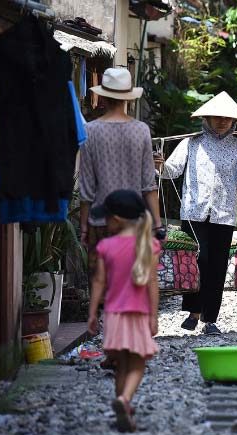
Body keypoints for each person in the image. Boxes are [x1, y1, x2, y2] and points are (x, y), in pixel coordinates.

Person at [158, 91, 237, 335]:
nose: (222, 122)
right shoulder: (191, 143)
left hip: (223, 215)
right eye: (217, 117)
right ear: (207, 119)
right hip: (194, 211)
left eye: (226, 118)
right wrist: (159, 165)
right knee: (197, 261)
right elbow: (173, 170)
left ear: (234, 121)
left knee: (217, 265)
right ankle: (193, 311)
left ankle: (210, 319)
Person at [78, 67, 165, 279]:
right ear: (128, 98)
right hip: (134, 224)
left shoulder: (90, 130)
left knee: (103, 286)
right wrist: (158, 224)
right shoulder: (141, 130)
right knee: (131, 285)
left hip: (101, 221)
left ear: (104, 97)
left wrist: (83, 226)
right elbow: (148, 184)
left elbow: (86, 187)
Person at [87, 190, 161, 433]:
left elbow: (99, 281)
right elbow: (152, 283)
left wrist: (91, 313)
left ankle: (123, 407)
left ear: (116, 220)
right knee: (137, 364)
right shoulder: (149, 245)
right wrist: (153, 316)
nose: (105, 224)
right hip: (138, 315)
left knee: (120, 365)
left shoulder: (106, 246)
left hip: (114, 316)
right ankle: (125, 400)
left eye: (106, 218)